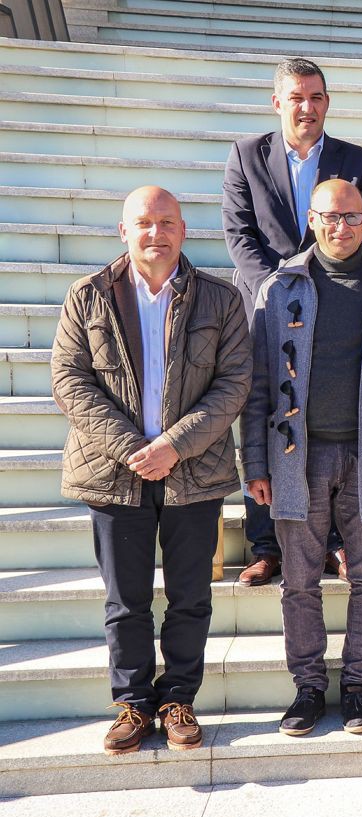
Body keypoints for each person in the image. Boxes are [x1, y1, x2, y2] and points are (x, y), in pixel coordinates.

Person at [51, 186, 251, 754]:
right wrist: (132, 447)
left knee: (191, 595)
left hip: (194, 471)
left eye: (167, 222)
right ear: (123, 230)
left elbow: (234, 383)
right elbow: (70, 380)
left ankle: (178, 698)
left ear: (183, 230)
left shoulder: (221, 299)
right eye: (144, 222)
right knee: (125, 598)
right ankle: (134, 704)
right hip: (113, 473)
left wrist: (173, 445)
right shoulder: (87, 296)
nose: (155, 233)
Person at [241, 180, 362, 736]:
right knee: (299, 579)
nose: (340, 227)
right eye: (330, 217)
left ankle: (356, 687)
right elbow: (257, 384)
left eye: (351, 217)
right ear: (311, 219)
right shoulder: (279, 289)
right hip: (298, 458)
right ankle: (307, 688)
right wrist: (254, 462)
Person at [222, 57, 362, 587]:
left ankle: (334, 542)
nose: (306, 107)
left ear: (327, 102)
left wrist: (321, 295)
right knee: (268, 423)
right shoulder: (246, 157)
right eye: (296, 97)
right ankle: (265, 546)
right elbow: (240, 235)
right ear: (278, 102)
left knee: (324, 427)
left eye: (316, 97)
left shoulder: (357, 162)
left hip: (334, 314)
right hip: (268, 312)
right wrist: (280, 288)